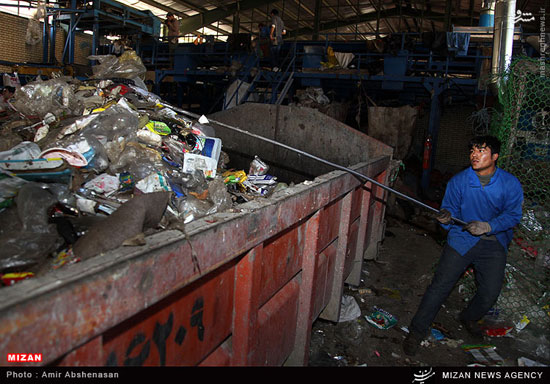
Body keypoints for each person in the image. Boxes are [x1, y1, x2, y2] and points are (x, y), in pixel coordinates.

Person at [402, 135, 523, 356]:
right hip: (462, 240)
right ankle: (416, 332)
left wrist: (488, 226)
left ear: (495, 156)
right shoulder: (459, 181)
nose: (474, 155)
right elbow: (449, 209)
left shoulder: (510, 184)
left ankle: (468, 317)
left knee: (489, 292)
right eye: (472, 151)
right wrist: (446, 219)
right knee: (439, 287)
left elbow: (513, 215)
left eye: (481, 151)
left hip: (493, 244)